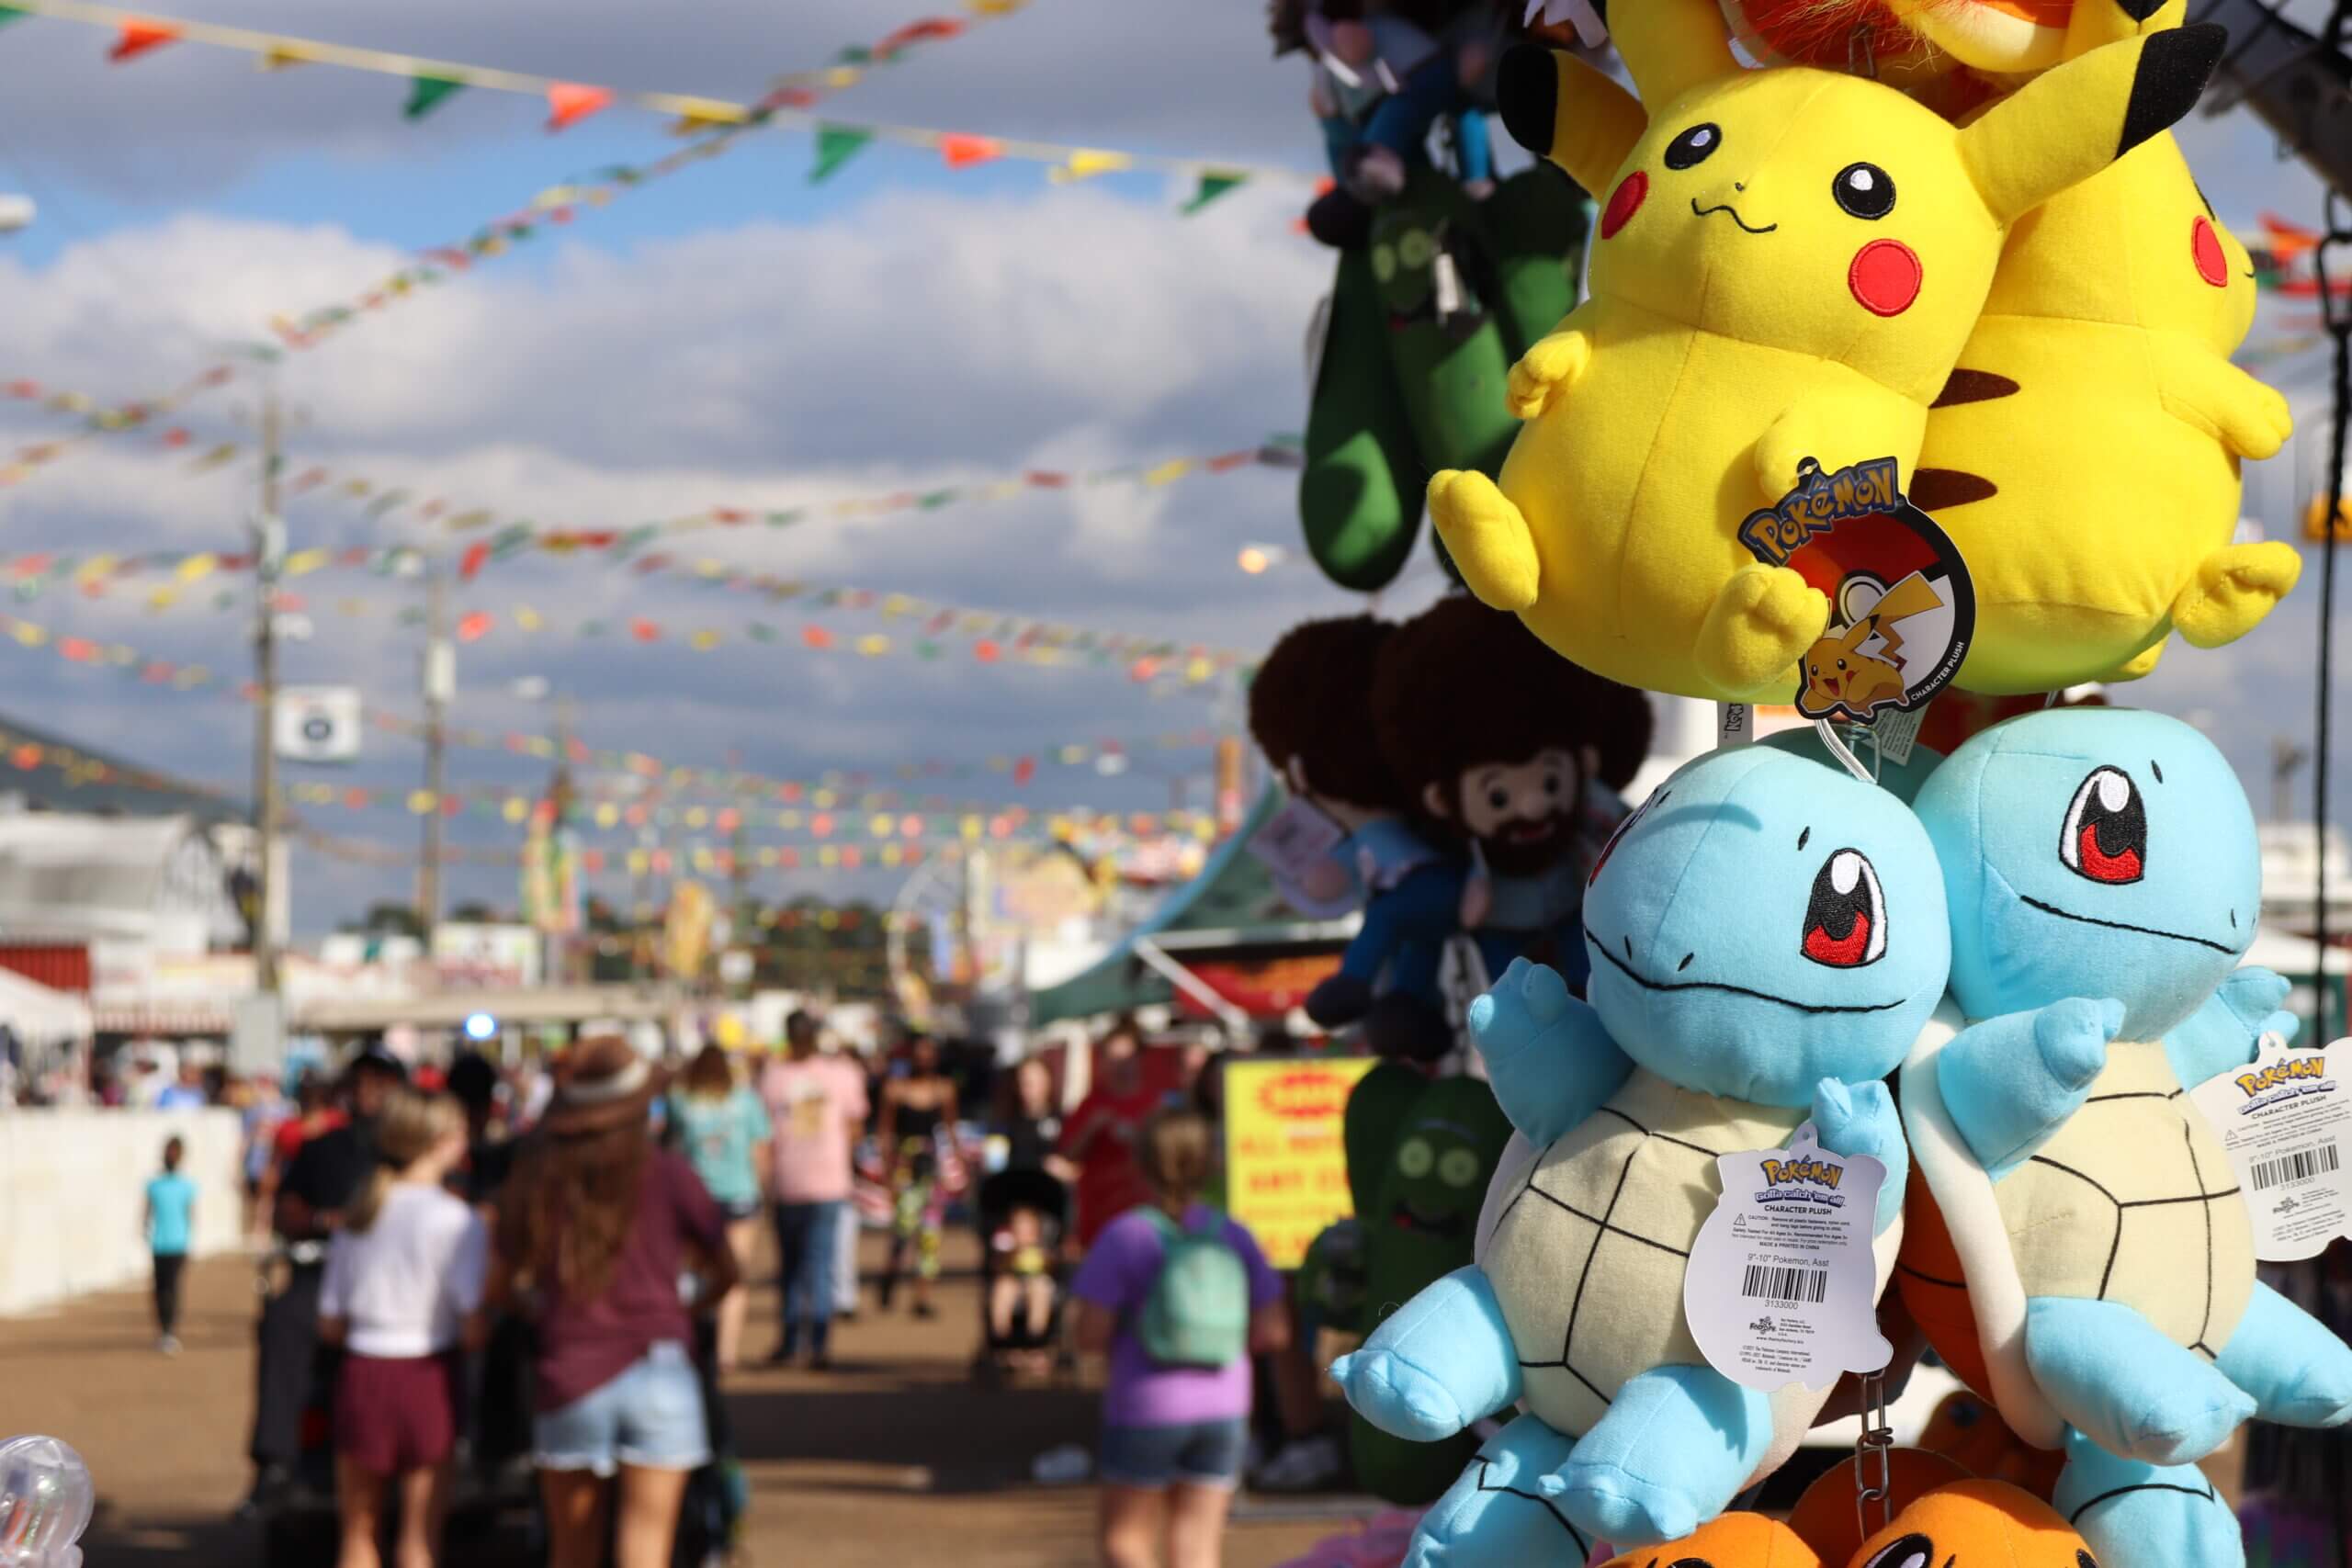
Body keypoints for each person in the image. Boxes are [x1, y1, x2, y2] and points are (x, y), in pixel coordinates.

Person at [493, 1038, 737, 1568]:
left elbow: (499, 1284)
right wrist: (684, 1311)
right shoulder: (670, 1173)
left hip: (570, 1369)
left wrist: (538, 1310)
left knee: (572, 1551)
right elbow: (727, 1269)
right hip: (661, 1369)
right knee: (646, 1553)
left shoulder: (538, 1176)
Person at [1072, 1107, 1289, 1568]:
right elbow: (1274, 1331)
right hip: (1226, 1405)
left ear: (1141, 1162)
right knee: (1197, 1547)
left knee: (1125, 1540)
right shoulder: (1234, 1234)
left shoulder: (1125, 1236)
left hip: (1144, 1405)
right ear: (1211, 1164)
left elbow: (1090, 1335)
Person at [318, 1089, 487, 1568]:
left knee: (357, 1532)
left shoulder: (359, 1215)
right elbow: (472, 1327)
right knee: (419, 1538)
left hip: (363, 1372)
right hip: (428, 1376)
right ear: (438, 1141)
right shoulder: (457, 1219)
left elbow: (330, 1322)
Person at [244, 1043, 407, 1513]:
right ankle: (274, 1461)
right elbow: (287, 1211)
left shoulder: (411, 1152)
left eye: (381, 1080)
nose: (368, 1090)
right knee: (283, 1318)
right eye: (360, 1080)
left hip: (401, 1280)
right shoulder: (320, 1149)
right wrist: (325, 1221)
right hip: (327, 1274)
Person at [759, 1012, 867, 1367]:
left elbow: (764, 1139)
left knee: (800, 1266)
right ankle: (811, 1344)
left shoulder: (776, 1077)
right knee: (811, 1265)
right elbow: (855, 1126)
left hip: (804, 1183)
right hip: (814, 1183)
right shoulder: (839, 1074)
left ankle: (799, 1342)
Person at [664, 1046, 771, 1374]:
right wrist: (761, 1192)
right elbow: (761, 1152)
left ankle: (695, 1342)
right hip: (740, 1195)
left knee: (694, 1275)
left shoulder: (681, 1101)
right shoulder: (746, 1100)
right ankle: (726, 1354)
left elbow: (670, 1150)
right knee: (734, 1277)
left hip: (695, 1199)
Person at [1057, 1019, 1165, 1252]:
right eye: (1114, 1058)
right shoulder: (1091, 1104)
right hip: (1098, 1219)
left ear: (1139, 1059)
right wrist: (1092, 1128)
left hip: (1143, 1217)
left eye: (1126, 1058)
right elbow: (1068, 1155)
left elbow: (1165, 1156)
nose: (1120, 1066)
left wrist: (1139, 1136)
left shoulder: (1154, 1104)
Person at [876, 1032, 961, 1317]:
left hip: (932, 1171)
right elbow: (885, 1132)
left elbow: (951, 1131)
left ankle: (922, 1296)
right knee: (902, 1232)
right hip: (905, 1170)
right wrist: (888, 1172)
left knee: (930, 1236)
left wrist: (957, 1166)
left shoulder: (944, 1090)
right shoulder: (896, 1089)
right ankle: (890, 1276)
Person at [145, 1135, 197, 1355]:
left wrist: (189, 1242)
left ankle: (169, 1331)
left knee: (173, 1288)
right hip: (159, 1244)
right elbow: (147, 1213)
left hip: (178, 1244)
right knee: (159, 1289)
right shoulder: (154, 1185)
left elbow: (191, 1215)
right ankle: (163, 1329)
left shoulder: (187, 1186)